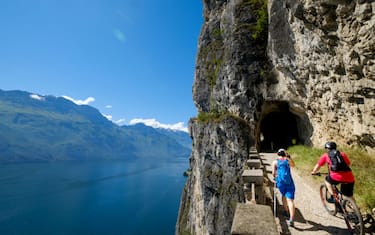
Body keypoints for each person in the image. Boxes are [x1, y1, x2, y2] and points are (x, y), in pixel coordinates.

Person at [272, 148, 296, 227]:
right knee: (290, 200)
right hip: (289, 183)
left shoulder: (275, 162)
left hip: (281, 183)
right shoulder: (287, 160)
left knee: (283, 196)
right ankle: (291, 219)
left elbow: (273, 173)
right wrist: (288, 157)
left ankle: (286, 211)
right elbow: (293, 165)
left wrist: (275, 178)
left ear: (278, 154)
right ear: (284, 154)